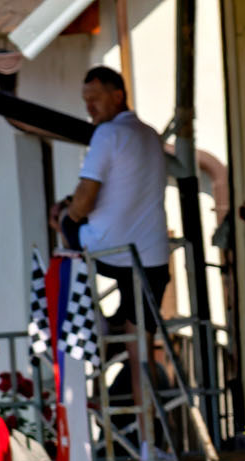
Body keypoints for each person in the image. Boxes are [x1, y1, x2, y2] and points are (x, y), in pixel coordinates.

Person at [56, 66, 171, 336]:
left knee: (63, 221)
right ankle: (113, 328)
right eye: (86, 100)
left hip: (114, 252)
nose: (89, 107)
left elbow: (84, 201)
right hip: (153, 253)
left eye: (95, 99)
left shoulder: (107, 134)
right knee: (140, 332)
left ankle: (86, 322)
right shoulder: (151, 134)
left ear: (118, 96)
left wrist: (67, 212)